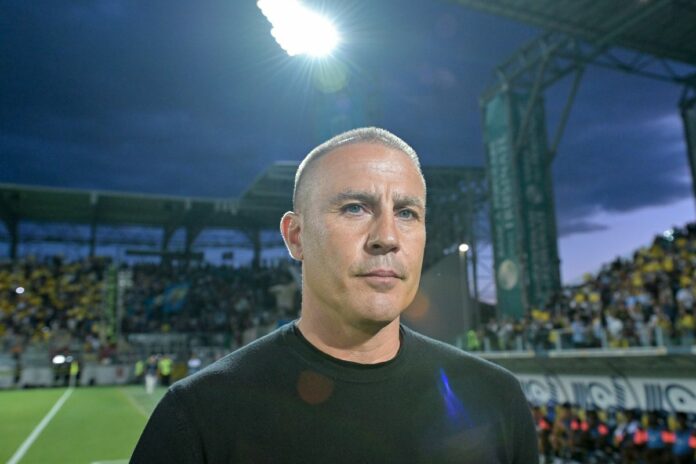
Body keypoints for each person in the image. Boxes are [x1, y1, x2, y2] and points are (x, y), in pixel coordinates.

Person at [131, 127, 538, 463]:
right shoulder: (198, 417)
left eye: (406, 213)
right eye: (355, 208)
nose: (387, 237)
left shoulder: (496, 399)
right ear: (296, 236)